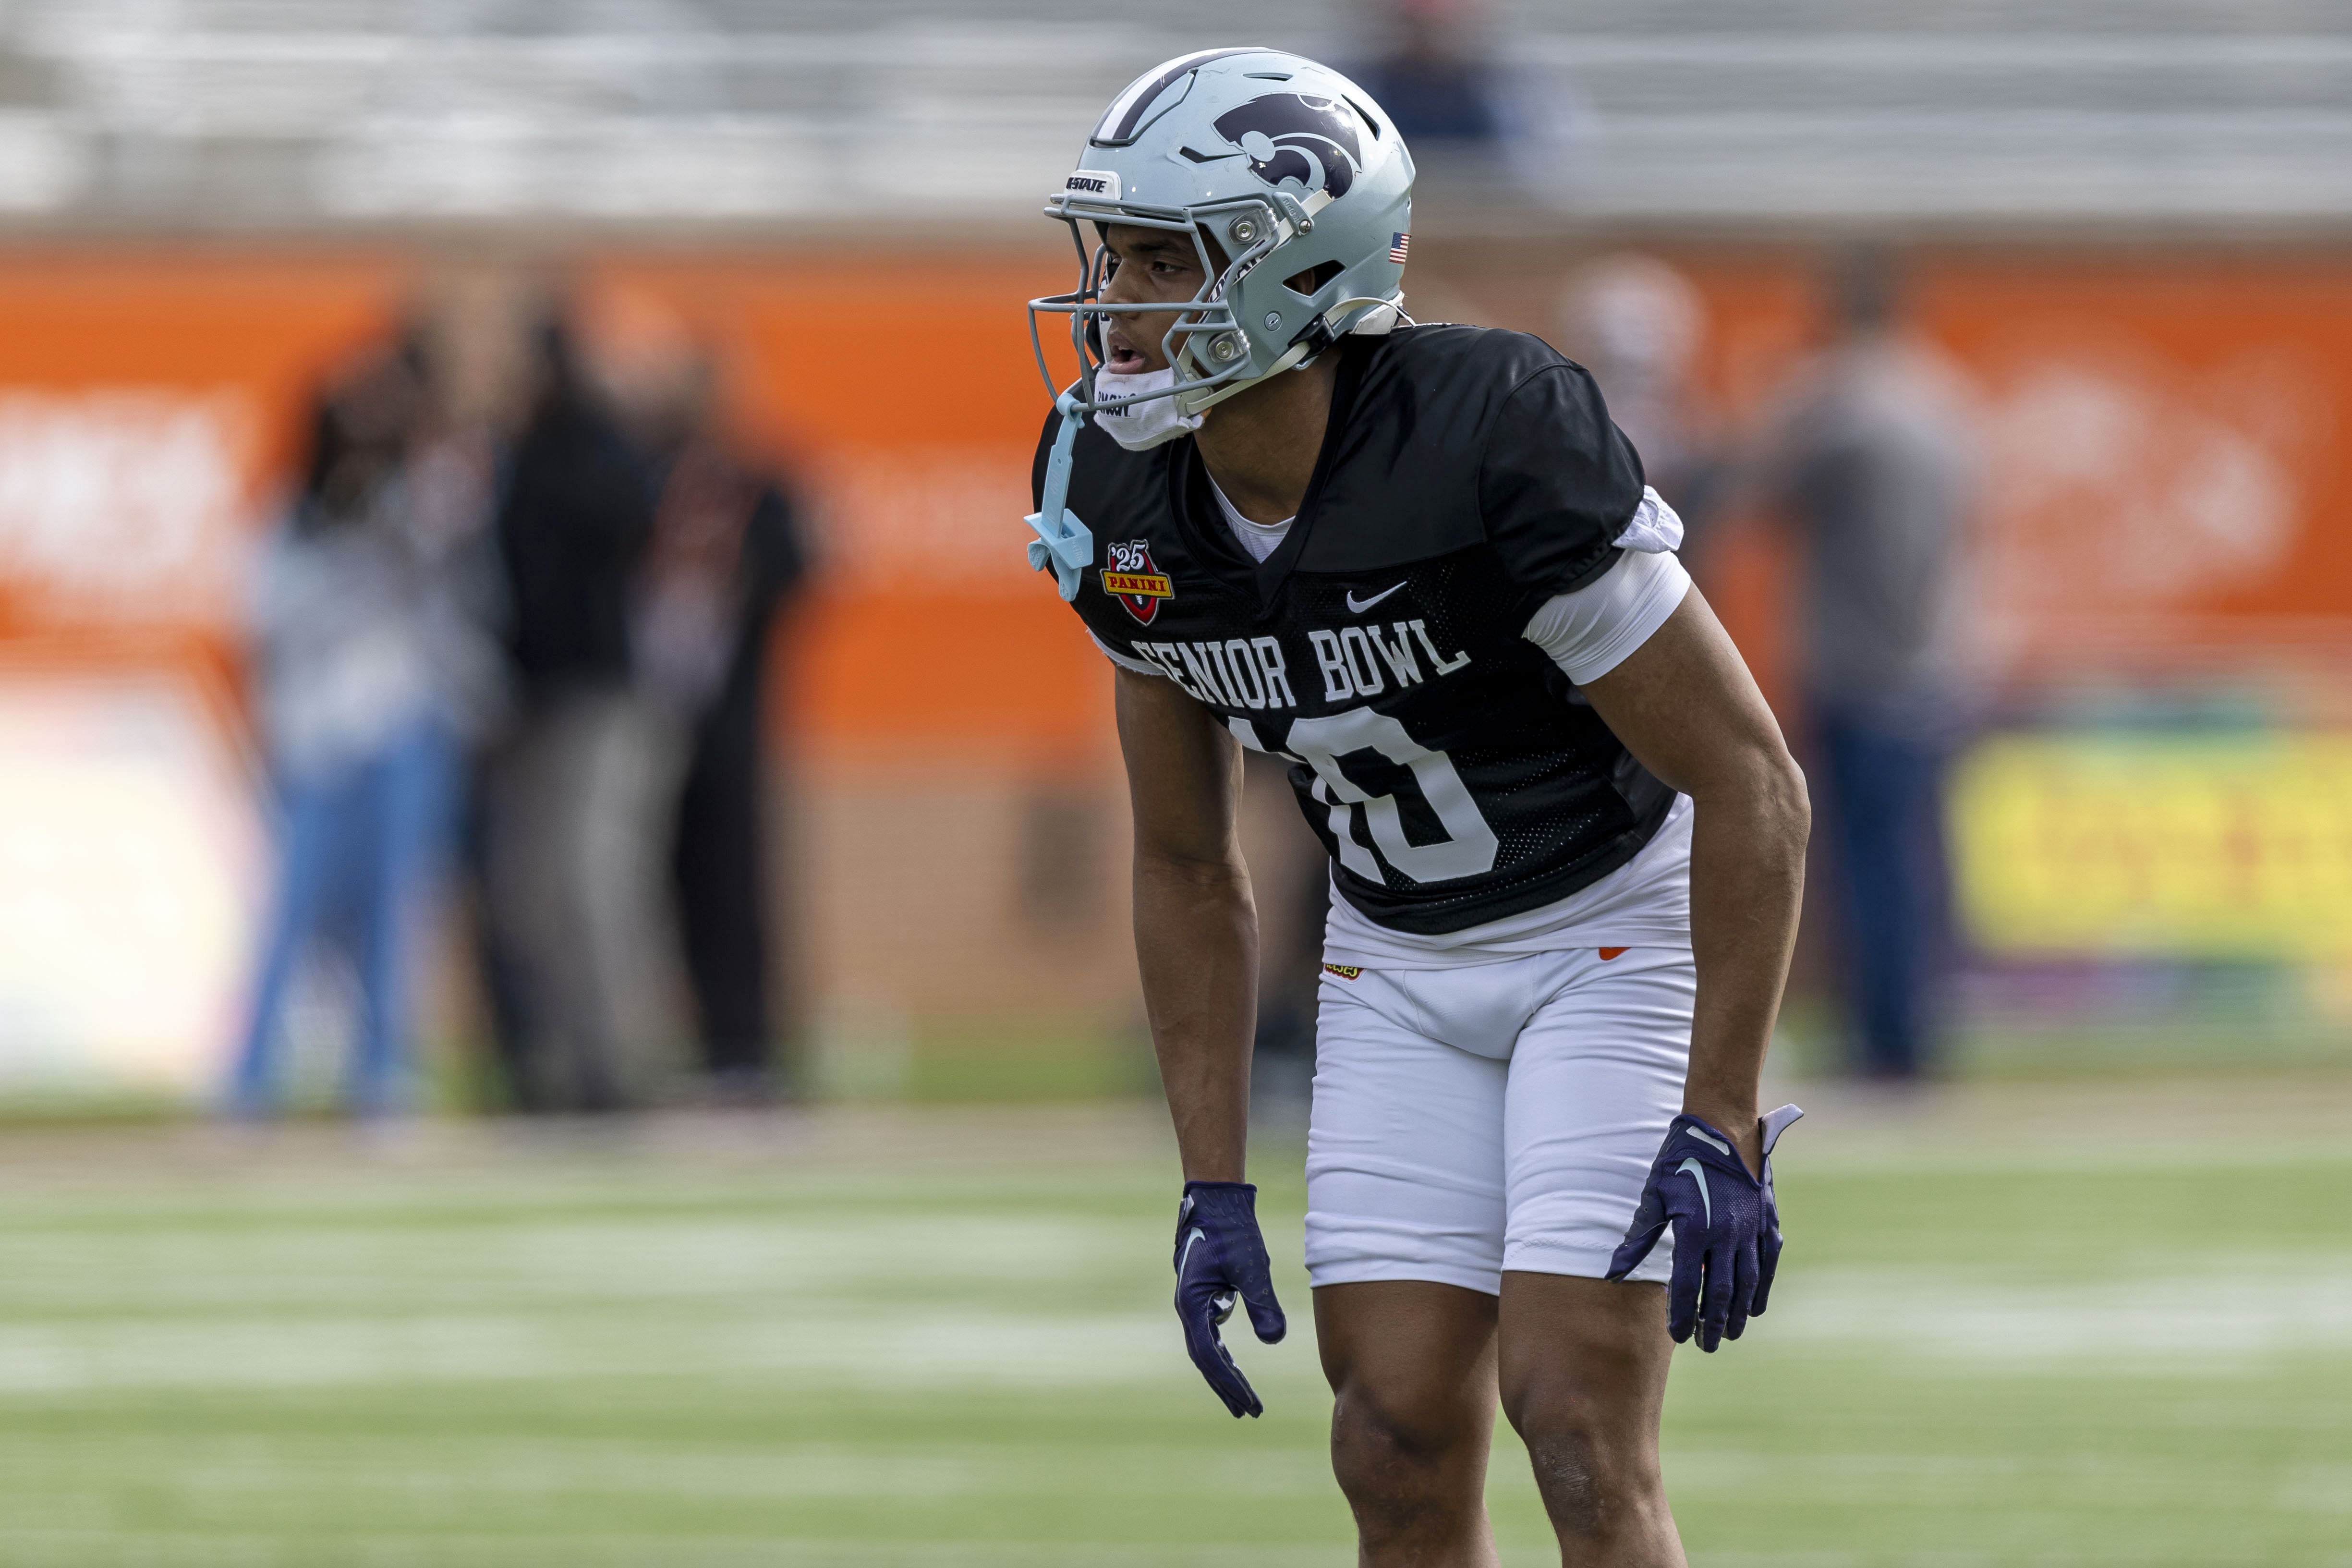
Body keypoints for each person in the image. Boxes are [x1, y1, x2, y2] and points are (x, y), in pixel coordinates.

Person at [1025, 50, 1809, 1566]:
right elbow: (1188, 863)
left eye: (1161, 258)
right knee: (1387, 1434)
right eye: (1109, 255)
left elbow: (1750, 777)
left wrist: (1721, 1110)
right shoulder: (1116, 494)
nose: (1113, 299)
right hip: (1395, 954)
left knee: (1574, 1414)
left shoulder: (1487, 429)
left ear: (1298, 264)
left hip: (1608, 928)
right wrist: (1207, 1174)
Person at [229, 340, 465, 1118]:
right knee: (292, 916)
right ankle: (250, 1084)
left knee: (395, 915)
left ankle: (382, 1075)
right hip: (319, 743)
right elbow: (263, 619)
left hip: (402, 735)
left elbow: (453, 608)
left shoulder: (419, 510)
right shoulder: (292, 522)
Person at [1757, 249, 1976, 1081]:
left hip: (1857, 662)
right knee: (1912, 859)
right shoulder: (1944, 397)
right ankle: (1911, 1032)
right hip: (1935, 657)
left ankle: (1884, 1044)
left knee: (1863, 862)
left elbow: (1763, 487)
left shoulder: (1841, 402)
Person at [631, 356, 809, 1103]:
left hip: (732, 714)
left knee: (736, 882)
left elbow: (798, 569)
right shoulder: (653, 481)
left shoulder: (761, 484)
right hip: (660, 712)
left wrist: (744, 574)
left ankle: (748, 1043)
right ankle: (698, 1040)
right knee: (668, 881)